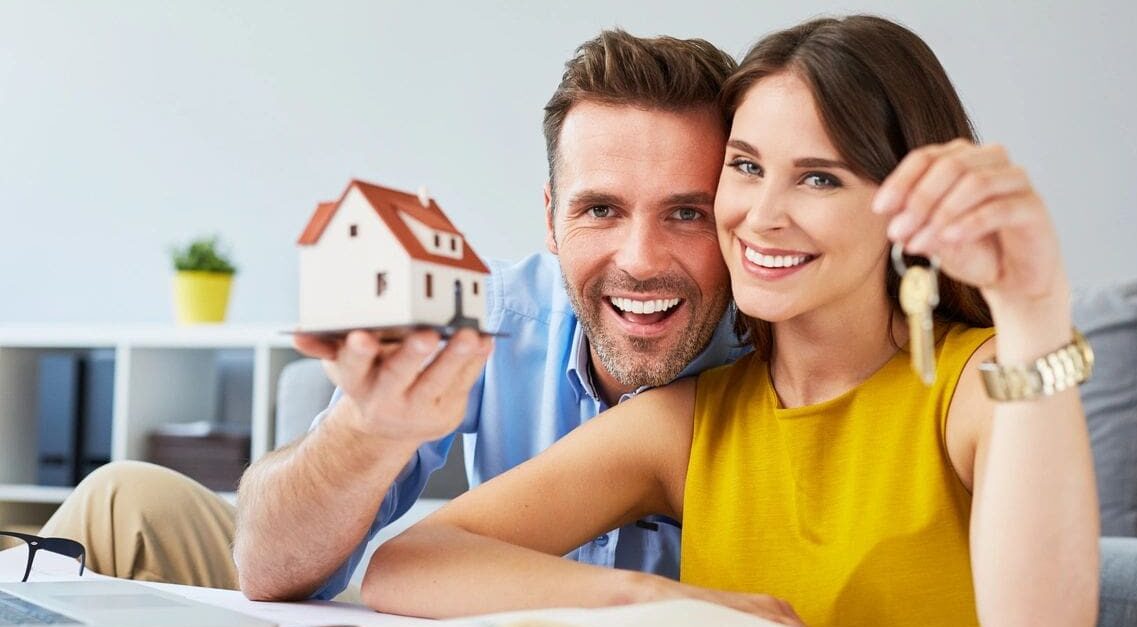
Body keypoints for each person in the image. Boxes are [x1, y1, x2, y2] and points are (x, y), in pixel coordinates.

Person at [360, 15, 1101, 627]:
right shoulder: (687, 423)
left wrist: (1035, 307)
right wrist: (661, 601)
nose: (761, 216)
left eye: (819, 177)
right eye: (745, 166)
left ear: (904, 205)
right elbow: (410, 565)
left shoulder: (974, 386)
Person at [37, 29, 751, 600]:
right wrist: (368, 430)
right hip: (416, 594)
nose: (640, 258)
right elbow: (273, 566)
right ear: (550, 218)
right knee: (121, 496)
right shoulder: (492, 311)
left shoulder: (777, 353)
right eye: (601, 209)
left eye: (686, 213)